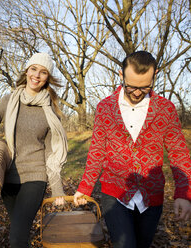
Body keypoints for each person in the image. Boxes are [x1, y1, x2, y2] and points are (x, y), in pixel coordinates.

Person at [73, 51, 191, 248]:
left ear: (155, 75)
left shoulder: (166, 109)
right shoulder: (105, 108)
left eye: (145, 86)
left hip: (151, 196)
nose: (137, 92)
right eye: (131, 86)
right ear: (121, 75)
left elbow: (178, 152)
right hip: (115, 192)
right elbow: (97, 151)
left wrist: (183, 193)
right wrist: (85, 188)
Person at [0, 52, 68, 248]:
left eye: (43, 72)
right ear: (27, 71)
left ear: (47, 78)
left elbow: (51, 153)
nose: (37, 75)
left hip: (35, 176)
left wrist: (57, 188)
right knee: (20, 235)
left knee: (16, 238)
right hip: (7, 177)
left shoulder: (50, 110)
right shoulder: (8, 101)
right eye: (34, 69)